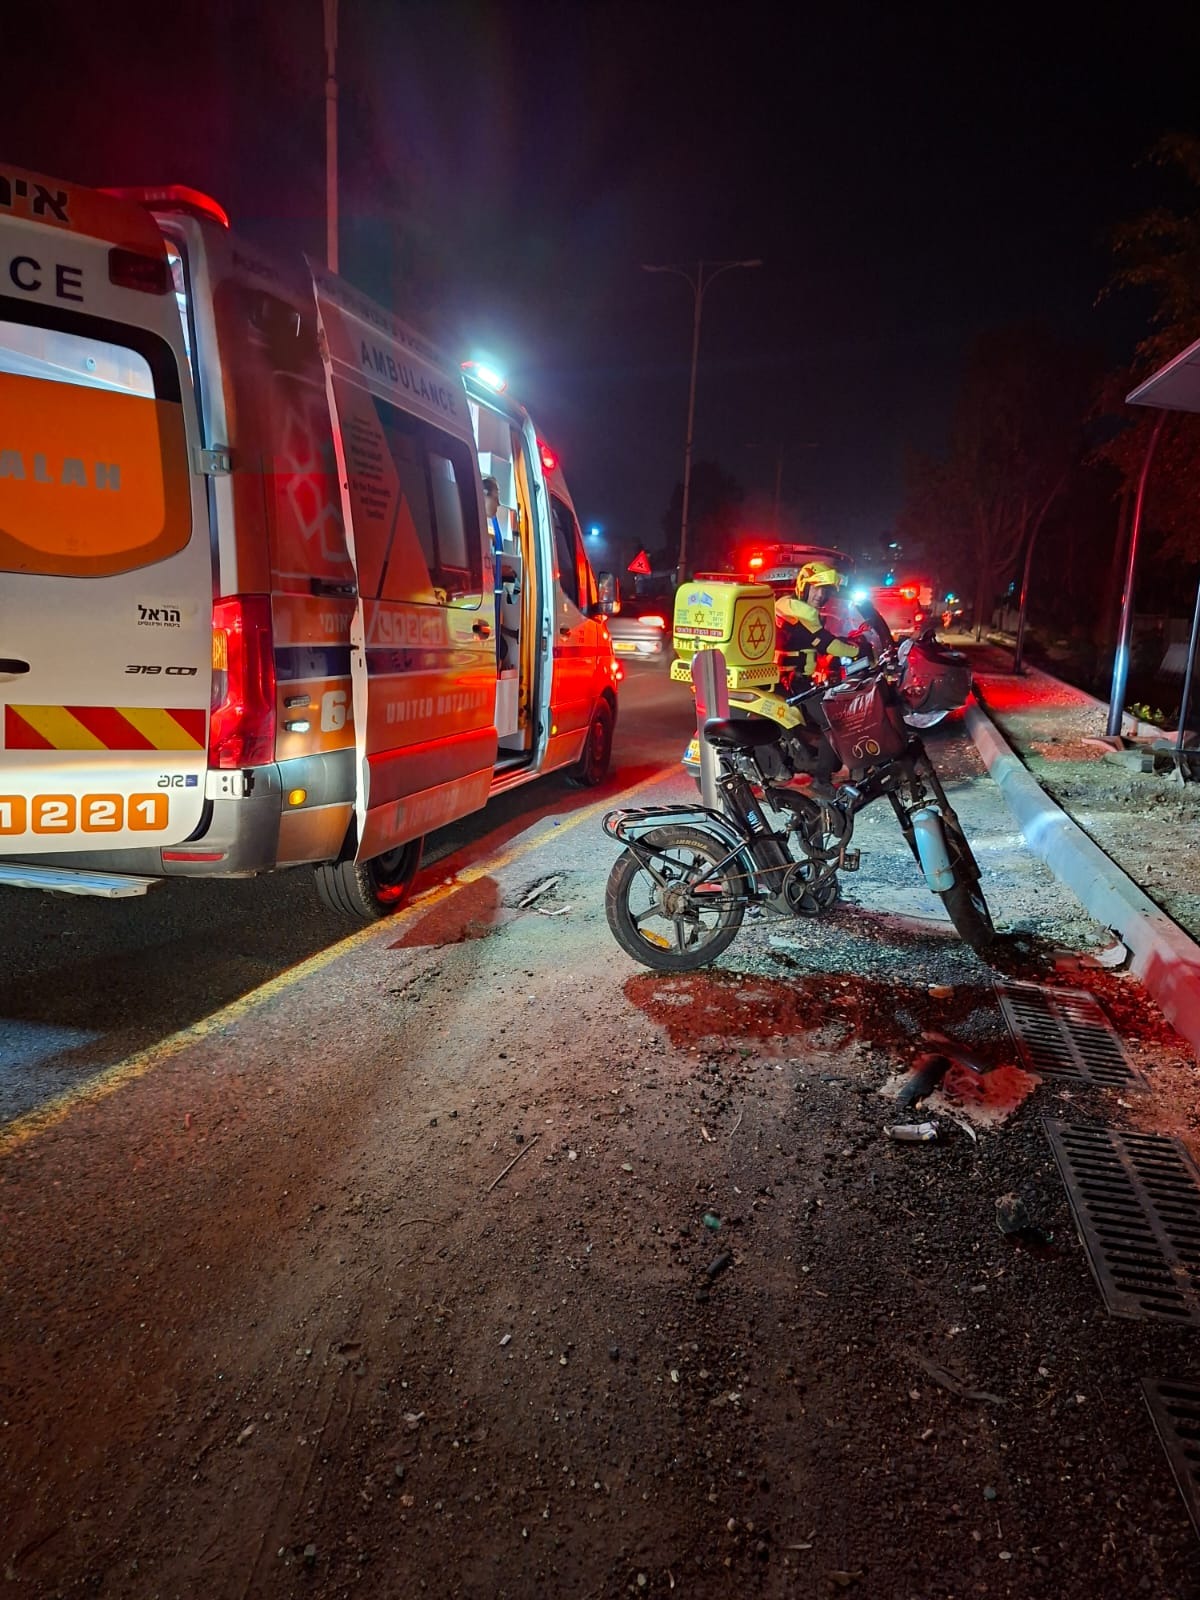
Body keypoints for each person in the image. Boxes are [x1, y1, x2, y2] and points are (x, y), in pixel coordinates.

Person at [774, 559, 864, 696]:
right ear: (803, 587)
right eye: (815, 588)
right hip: (792, 683)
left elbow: (810, 641)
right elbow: (828, 645)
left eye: (825, 590)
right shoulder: (804, 611)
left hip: (788, 680)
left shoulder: (786, 603)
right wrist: (859, 651)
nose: (821, 595)